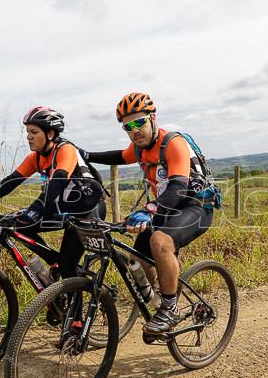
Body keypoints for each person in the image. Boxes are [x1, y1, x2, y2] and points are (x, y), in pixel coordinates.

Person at [84, 92, 213, 334]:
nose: (134, 130)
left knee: (160, 241)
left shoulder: (172, 143)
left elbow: (178, 187)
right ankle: (159, 293)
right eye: (127, 126)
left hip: (195, 206)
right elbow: (119, 157)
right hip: (166, 208)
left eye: (139, 122)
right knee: (137, 258)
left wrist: (149, 210)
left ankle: (168, 309)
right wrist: (87, 155)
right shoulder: (140, 148)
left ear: (153, 119)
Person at [0, 106, 104, 280]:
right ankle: (54, 263)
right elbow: (8, 184)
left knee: (67, 268)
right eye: (27, 131)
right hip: (63, 205)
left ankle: (74, 296)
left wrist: (35, 209)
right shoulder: (35, 157)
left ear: (50, 134)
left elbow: (58, 180)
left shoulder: (65, 149)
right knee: (21, 226)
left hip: (88, 208)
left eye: (34, 132)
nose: (28, 136)